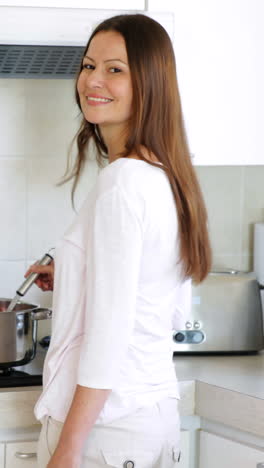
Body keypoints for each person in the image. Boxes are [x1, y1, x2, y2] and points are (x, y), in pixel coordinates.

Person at [26, 13, 211, 468]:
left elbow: (108, 337)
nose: (93, 80)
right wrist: (73, 272)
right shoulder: (166, 176)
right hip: (151, 418)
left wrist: (68, 449)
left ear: (149, 82)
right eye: (89, 65)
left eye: (115, 69)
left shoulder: (123, 183)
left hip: (104, 434)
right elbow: (164, 302)